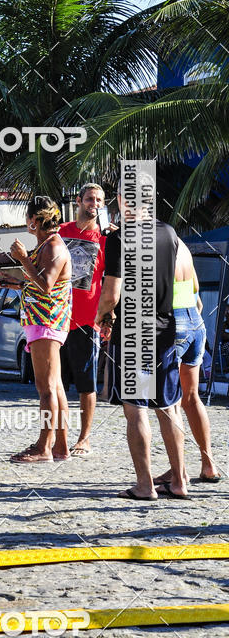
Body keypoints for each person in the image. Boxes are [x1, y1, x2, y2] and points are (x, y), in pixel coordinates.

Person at [96, 179, 188, 500]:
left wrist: (101, 317)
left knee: (136, 409)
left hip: (134, 330)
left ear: (122, 199)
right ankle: (179, 480)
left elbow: (111, 294)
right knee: (169, 408)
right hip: (165, 327)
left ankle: (145, 485)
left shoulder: (119, 238)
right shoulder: (170, 233)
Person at [0, 197, 72, 463]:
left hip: (47, 321)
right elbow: (41, 282)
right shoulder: (47, 245)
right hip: (42, 320)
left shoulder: (53, 246)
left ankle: (44, 447)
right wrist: (18, 284)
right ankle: (60, 446)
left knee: (46, 388)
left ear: (34, 220)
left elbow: (47, 285)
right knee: (56, 387)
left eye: (28, 218)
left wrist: (22, 259)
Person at [153, 239, 220, 484]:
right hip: (194, 319)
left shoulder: (149, 242)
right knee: (191, 398)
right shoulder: (180, 243)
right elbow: (195, 289)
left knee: (167, 403)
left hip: (171, 320)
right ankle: (209, 465)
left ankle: (178, 472)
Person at [58, 183, 109, 456]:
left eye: (99, 200)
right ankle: (57, 437)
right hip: (57, 319)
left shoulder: (106, 239)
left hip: (87, 322)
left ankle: (84, 438)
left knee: (86, 385)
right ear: (78, 201)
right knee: (55, 385)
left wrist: (109, 316)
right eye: (90, 199)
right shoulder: (61, 232)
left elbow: (114, 282)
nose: (94, 204)